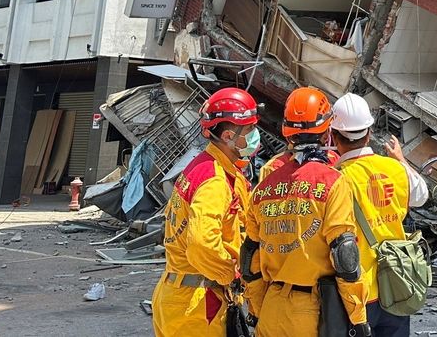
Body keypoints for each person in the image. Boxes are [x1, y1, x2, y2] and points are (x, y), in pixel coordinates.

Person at [242, 86, 370, 337]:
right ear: (327, 132)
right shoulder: (332, 182)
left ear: (287, 133)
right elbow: (345, 254)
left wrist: (256, 310)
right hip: (313, 311)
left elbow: (250, 258)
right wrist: (358, 318)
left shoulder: (264, 187)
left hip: (271, 307)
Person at [152, 87, 260, 336]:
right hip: (198, 306)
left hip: (181, 296)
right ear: (229, 136)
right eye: (250, 130)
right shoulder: (214, 180)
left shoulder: (202, 166)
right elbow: (201, 244)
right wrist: (230, 275)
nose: (255, 135)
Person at [330, 93, 430, 337]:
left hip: (356, 292)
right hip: (396, 284)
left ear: (333, 136)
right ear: (369, 133)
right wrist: (401, 160)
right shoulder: (395, 169)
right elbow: (422, 195)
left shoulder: (336, 179)